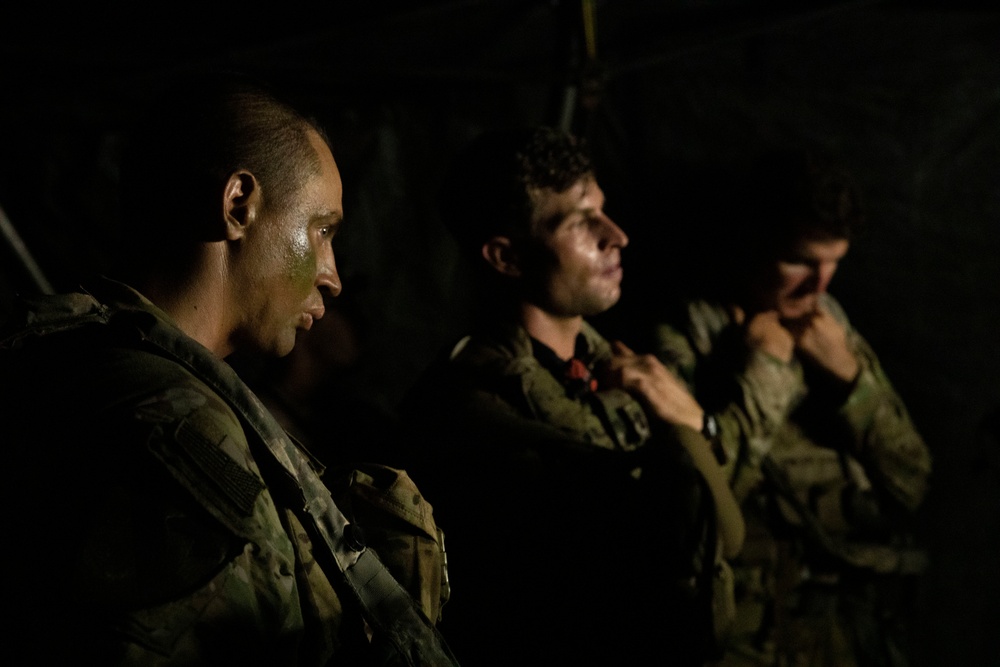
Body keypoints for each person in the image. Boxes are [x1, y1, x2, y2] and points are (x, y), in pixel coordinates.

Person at [0, 74, 456, 666]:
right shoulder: (180, 427)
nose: (333, 275)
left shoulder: (72, 366)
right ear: (238, 204)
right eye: (321, 230)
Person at [396, 126, 744, 666]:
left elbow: (719, 539)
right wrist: (689, 428)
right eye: (581, 222)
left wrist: (691, 421)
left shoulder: (618, 371)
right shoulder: (473, 410)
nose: (617, 236)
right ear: (506, 257)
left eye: (603, 211)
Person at [642, 149, 933, 667]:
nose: (819, 285)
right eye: (801, 260)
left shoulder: (829, 328)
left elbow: (912, 481)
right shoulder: (690, 334)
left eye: (834, 264)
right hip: (745, 637)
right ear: (754, 241)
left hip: (845, 633)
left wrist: (852, 381)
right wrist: (767, 372)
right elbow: (701, 503)